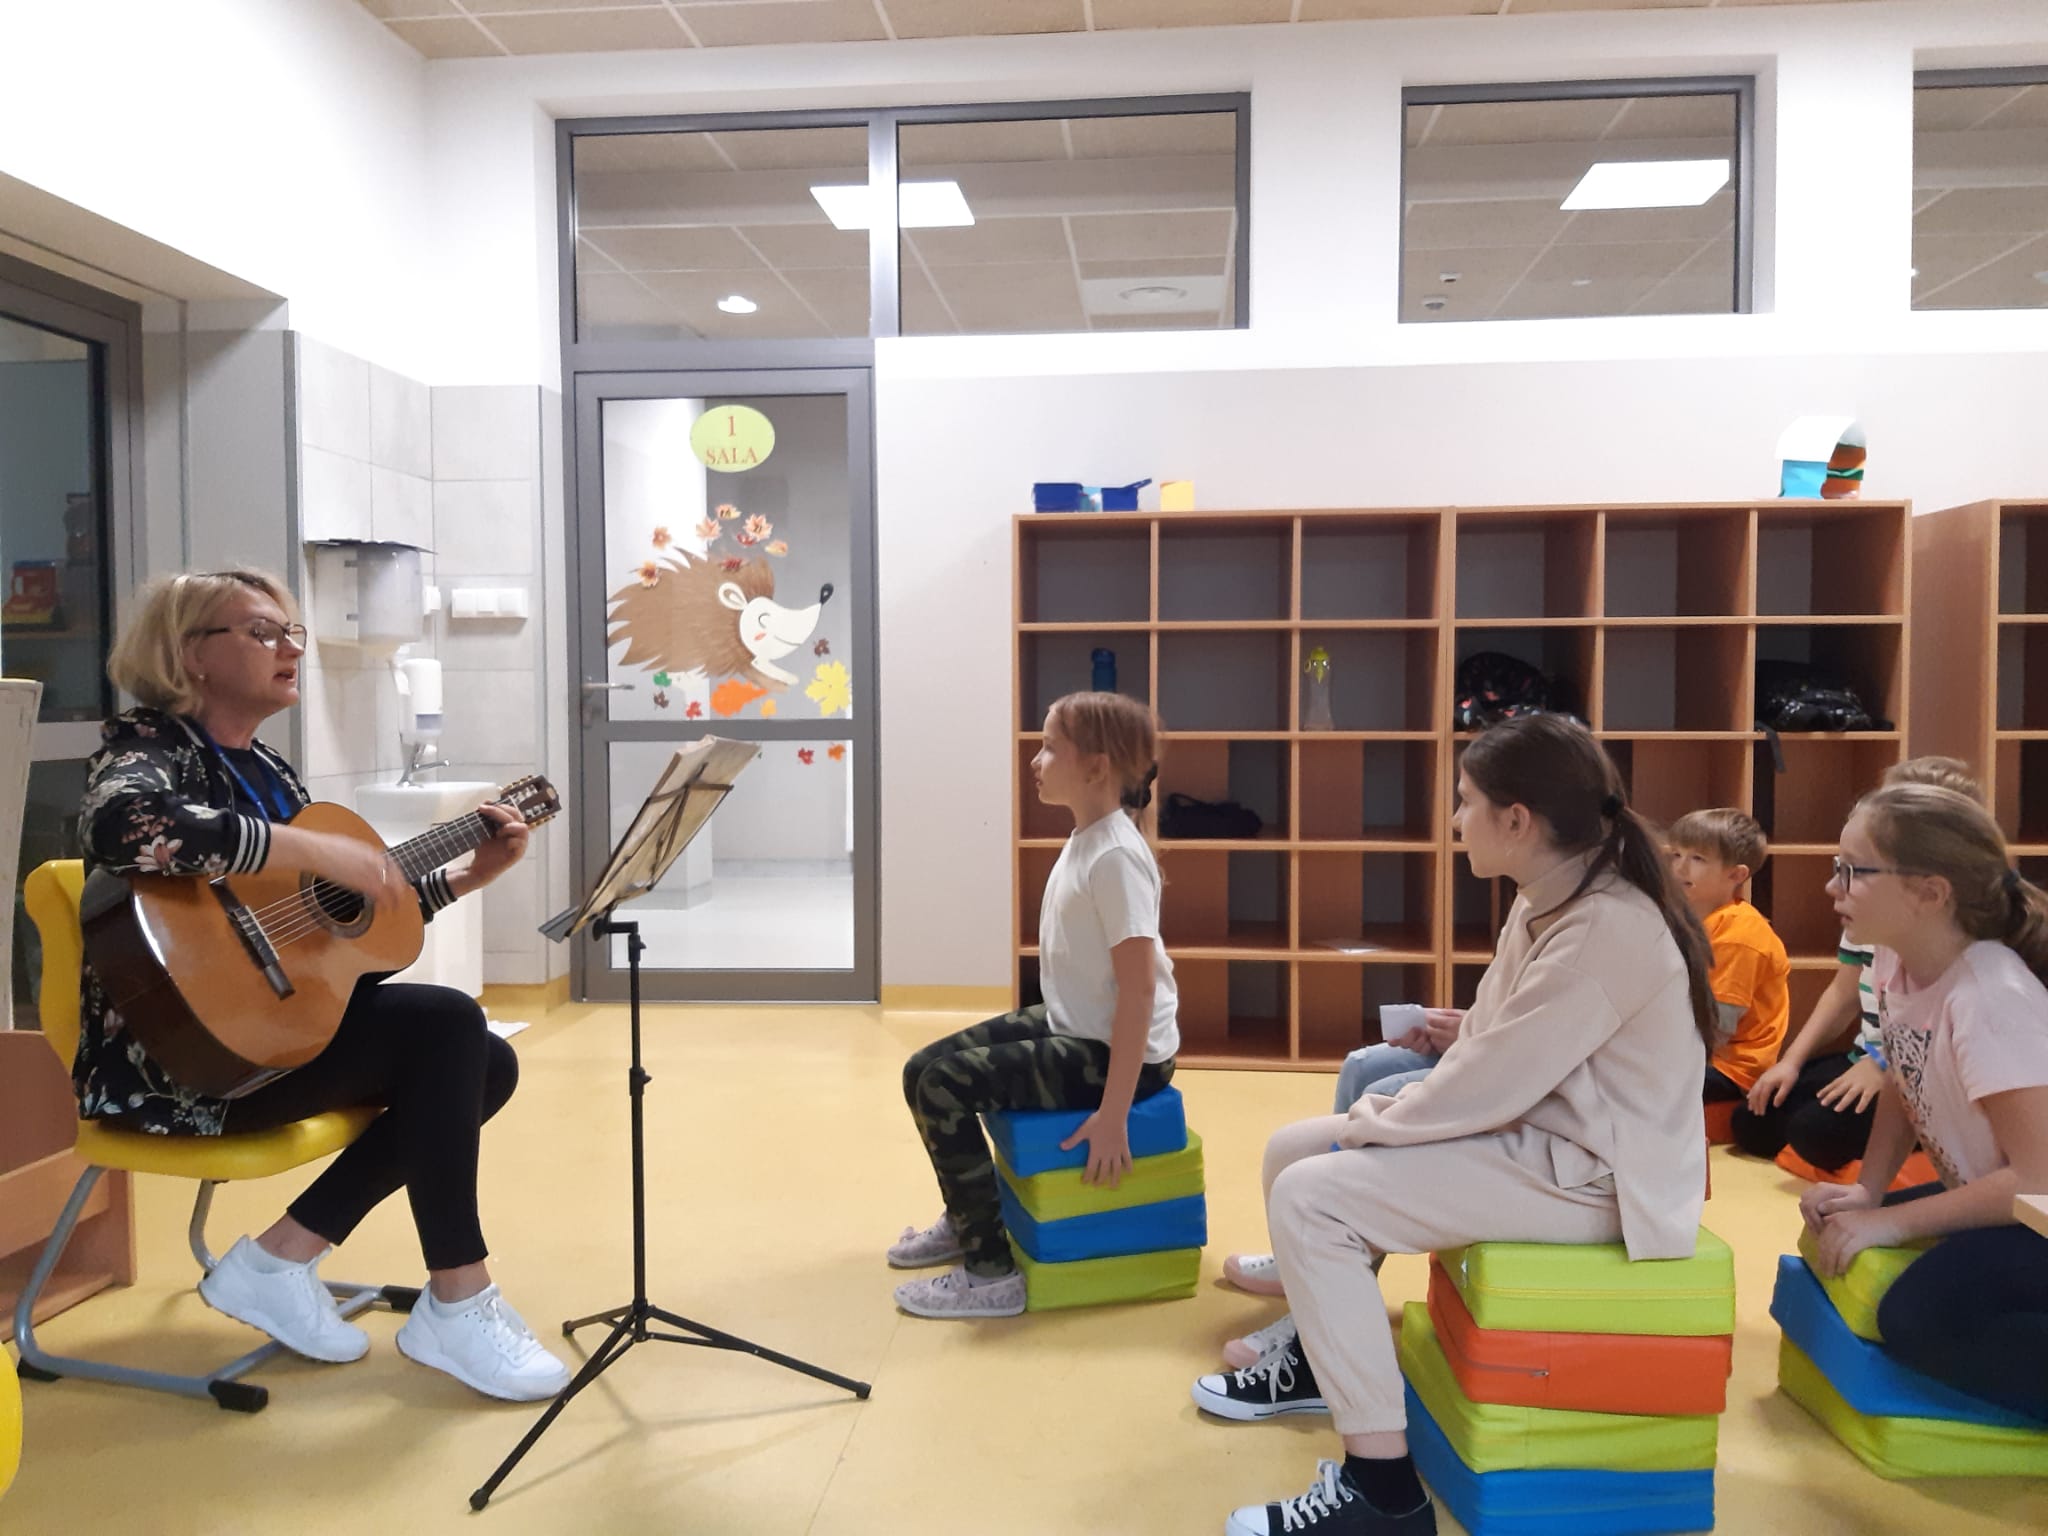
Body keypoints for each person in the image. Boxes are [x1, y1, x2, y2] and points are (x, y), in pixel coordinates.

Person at [1191, 714, 1714, 1536]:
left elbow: (1488, 1085)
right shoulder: (1552, 892)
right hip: (1550, 1136)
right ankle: (1322, 1366)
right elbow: (1508, 1044)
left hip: (1603, 1179)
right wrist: (1448, 1045)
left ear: (1518, 820)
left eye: (1466, 801)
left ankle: (1383, 1495)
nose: (1455, 818)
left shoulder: (1605, 923)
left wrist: (1373, 1123)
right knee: (1294, 1151)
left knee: (1312, 1197)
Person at [76, 569, 570, 1402]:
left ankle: (280, 1259)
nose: (290, 648)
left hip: (269, 1035)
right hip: (178, 1065)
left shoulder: (270, 769)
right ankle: (458, 1297)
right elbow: (121, 825)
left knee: (487, 1061)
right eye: (262, 632)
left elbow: (327, 934)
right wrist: (308, 849)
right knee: (450, 1024)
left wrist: (464, 878)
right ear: (191, 654)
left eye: (291, 632)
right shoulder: (148, 746)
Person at [888, 692, 1179, 1320]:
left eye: (1049, 748)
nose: (1035, 761)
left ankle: (991, 1275)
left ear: (1096, 768)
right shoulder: (1088, 837)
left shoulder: (1117, 857)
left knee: (943, 1087)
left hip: (1113, 1053)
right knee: (921, 1070)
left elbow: (1139, 992)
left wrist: (1113, 1114)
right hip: (1074, 1022)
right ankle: (968, 1217)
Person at [1800, 783, 2048, 1424]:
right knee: (1836, 1231)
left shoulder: (1990, 996)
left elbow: (2037, 1180)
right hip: (2009, 1205)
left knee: (1914, 1319)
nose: (1832, 887)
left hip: (2038, 1213)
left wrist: (1893, 1223)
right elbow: (1903, 1076)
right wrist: (1869, 1191)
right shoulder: (1893, 957)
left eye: (1853, 872)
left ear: (1930, 894)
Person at [1738, 757, 1984, 1172]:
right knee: (1754, 1121)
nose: (1834, 887)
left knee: (1815, 1135)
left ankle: (1923, 1147)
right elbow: (1843, 993)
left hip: (1922, 1077)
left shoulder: (1956, 936)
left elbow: (1935, 1033)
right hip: (1869, 1056)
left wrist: (1883, 1066)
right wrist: (1790, 1062)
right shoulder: (1870, 913)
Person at [1217, 1007, 1462, 1364]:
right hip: (1498, 1041)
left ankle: (1328, 1303)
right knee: (1360, 1067)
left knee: (1382, 1095)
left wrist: (1474, 1032)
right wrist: (1462, 1026)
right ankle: (1305, 1261)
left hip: (1519, 1065)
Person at [1667, 808, 1790, 1105]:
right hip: (1701, 1053)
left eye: (1698, 858)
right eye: (1677, 854)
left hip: (1733, 1069)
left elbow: (1716, 1028)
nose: (1680, 867)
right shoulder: (1686, 918)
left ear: (1736, 875)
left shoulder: (1739, 934)